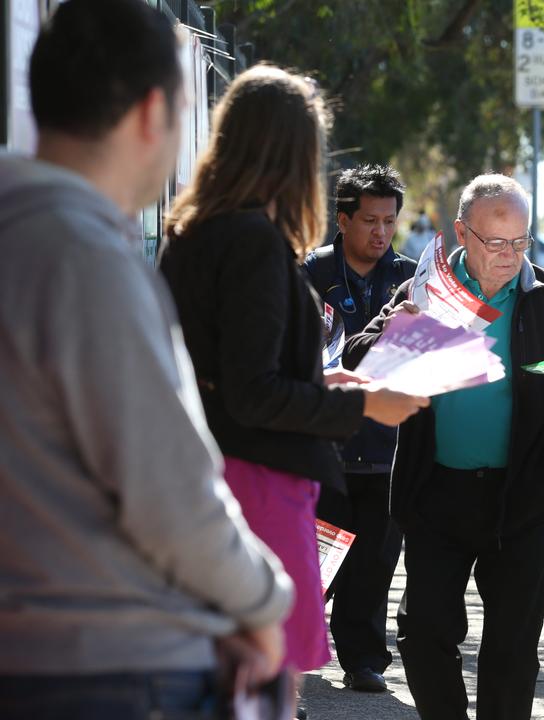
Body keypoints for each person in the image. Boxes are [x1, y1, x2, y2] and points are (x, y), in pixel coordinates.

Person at [0, 1, 294, 716]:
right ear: (151, 111)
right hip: (114, 668)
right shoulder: (87, 258)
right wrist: (263, 600)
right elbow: (172, 500)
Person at [159, 65, 428, 688]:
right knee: (260, 685)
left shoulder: (191, 233)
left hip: (207, 478)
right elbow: (253, 394)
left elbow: (231, 375)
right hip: (257, 486)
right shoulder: (255, 242)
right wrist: (363, 408)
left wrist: (328, 386)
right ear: (295, 149)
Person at [345, 173, 544, 720]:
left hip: (522, 498)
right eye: (496, 242)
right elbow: (357, 360)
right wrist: (398, 329)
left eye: (521, 242)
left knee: (514, 650)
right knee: (422, 633)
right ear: (462, 234)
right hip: (436, 491)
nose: (510, 256)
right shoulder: (426, 292)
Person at [302, 164, 418, 693]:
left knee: (374, 561)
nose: (380, 232)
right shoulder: (309, 274)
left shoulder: (412, 280)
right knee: (315, 560)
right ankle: (293, 653)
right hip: (323, 445)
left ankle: (363, 659)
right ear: (343, 219)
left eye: (389, 221)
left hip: (389, 449)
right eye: (369, 220)